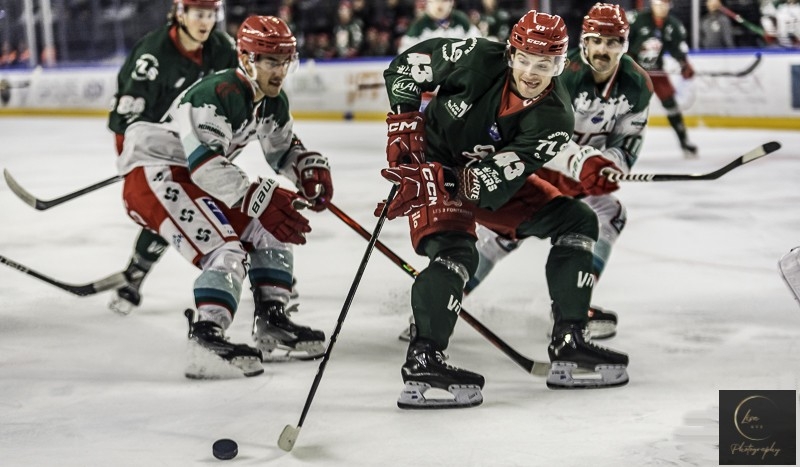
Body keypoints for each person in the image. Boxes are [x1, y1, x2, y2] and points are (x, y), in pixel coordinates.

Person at [379, 10, 629, 408]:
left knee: (577, 219)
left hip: (471, 177)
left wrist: (445, 181)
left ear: (560, 64)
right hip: (427, 160)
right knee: (455, 251)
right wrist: (405, 124)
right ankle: (424, 358)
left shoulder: (555, 118)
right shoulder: (474, 56)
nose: (532, 71)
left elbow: (492, 179)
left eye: (544, 63)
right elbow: (405, 69)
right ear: (511, 53)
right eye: (525, 59)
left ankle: (569, 339)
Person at [116, 15, 334, 377]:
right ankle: (206, 337)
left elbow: (281, 150)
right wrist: (261, 199)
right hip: (155, 175)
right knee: (224, 249)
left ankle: (273, 321)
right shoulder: (219, 94)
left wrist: (306, 167)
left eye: (284, 61)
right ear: (247, 60)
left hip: (194, 177)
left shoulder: (271, 101)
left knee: (271, 234)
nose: (279, 71)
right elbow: (205, 164)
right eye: (270, 61)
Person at [466, 3, 653, 341]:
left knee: (609, 214)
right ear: (584, 41)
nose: (603, 50)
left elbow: (628, 145)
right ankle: (443, 301)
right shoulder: (559, 73)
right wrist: (582, 162)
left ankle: (573, 307)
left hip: (581, 178)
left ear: (624, 46)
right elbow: (529, 134)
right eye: (597, 40)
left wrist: (609, 166)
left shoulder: (636, 86)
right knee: (498, 238)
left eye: (612, 43)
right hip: (533, 171)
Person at [107, 0, 237, 315]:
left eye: (210, 14)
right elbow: (127, 122)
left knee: (207, 203)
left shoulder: (220, 47)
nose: (206, 21)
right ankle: (136, 275)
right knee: (169, 203)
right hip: (145, 141)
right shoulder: (153, 56)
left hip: (191, 140)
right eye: (198, 14)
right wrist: (140, 162)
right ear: (180, 14)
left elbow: (238, 93)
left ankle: (263, 270)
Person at [627, 0, 698, 159]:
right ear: (652, 5)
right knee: (625, 108)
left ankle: (684, 141)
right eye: (658, 4)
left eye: (665, 4)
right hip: (634, 73)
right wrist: (627, 62)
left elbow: (677, 49)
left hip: (656, 72)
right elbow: (623, 42)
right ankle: (616, 143)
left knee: (671, 104)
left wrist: (684, 64)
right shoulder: (637, 19)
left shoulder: (673, 25)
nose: (661, 8)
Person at [397, 0, 482, 53]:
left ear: (452, 3)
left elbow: (478, 40)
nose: (439, 5)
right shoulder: (420, 24)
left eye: (444, 1)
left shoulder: (461, 20)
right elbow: (405, 50)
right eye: (435, 1)